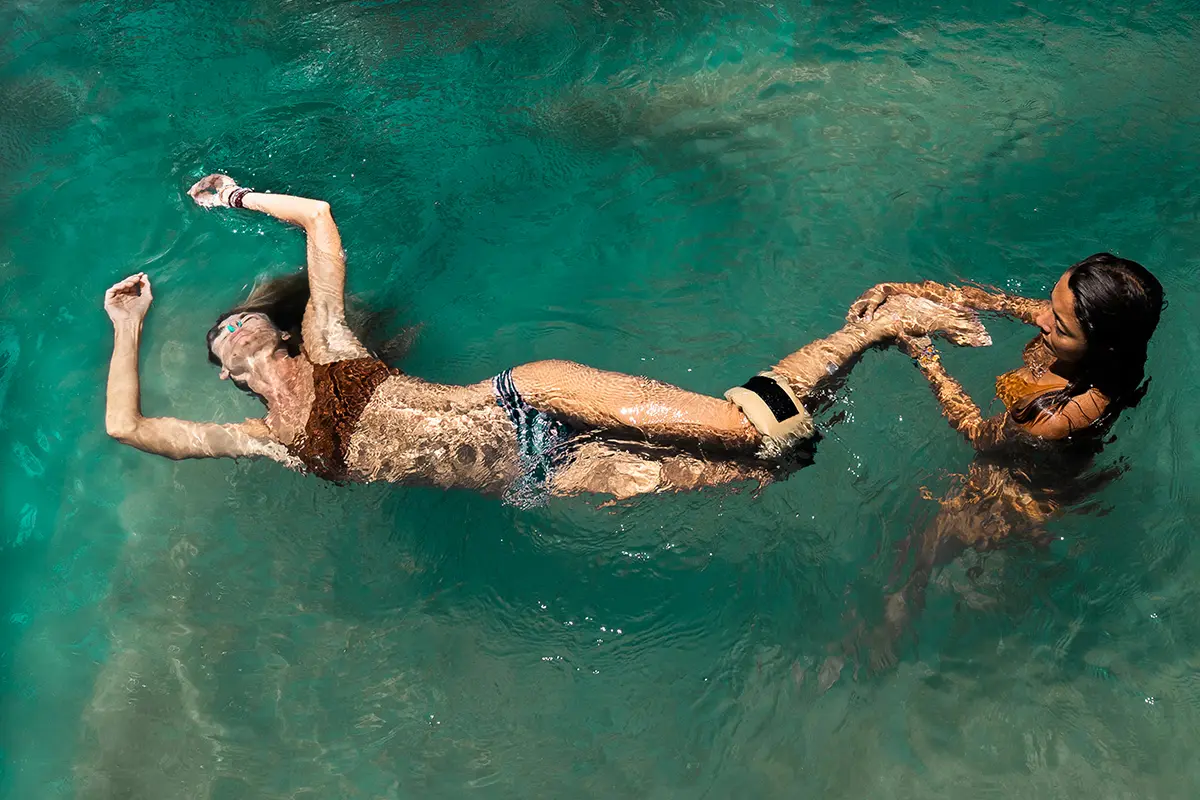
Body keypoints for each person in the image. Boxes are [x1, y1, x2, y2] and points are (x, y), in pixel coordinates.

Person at [104, 173, 990, 504]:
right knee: (773, 462)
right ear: (226, 372)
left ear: (279, 329)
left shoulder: (330, 341)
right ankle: (873, 348)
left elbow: (322, 219)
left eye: (238, 318)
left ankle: (876, 327)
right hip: (539, 474)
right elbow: (129, 430)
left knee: (741, 425)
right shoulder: (271, 442)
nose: (230, 327)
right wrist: (130, 327)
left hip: (528, 397)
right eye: (219, 335)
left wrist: (236, 198)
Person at [826, 254, 1165, 677]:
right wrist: (902, 292)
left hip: (1017, 488)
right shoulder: (1090, 330)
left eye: (1059, 326)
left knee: (917, 560)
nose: (1041, 318)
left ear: (1100, 346)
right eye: (1049, 304)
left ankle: (883, 643)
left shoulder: (1054, 419)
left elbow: (976, 432)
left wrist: (923, 353)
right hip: (1027, 467)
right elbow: (999, 303)